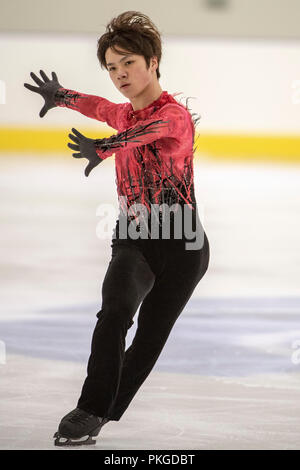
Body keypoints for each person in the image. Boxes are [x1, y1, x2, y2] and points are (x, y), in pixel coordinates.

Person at [24, 10, 210, 447]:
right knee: (113, 316)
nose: (120, 74)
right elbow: (99, 106)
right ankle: (90, 409)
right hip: (134, 238)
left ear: (153, 60)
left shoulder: (174, 117)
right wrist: (62, 95)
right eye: (111, 67)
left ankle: (101, 413)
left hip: (183, 245)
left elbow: (147, 131)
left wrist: (103, 147)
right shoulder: (123, 113)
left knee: (148, 338)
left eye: (128, 62)